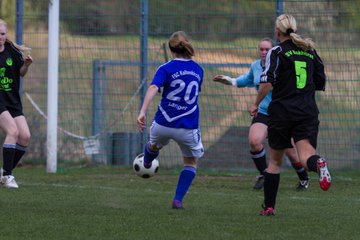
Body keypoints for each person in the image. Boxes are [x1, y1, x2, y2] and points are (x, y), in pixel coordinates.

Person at [249, 14, 331, 216]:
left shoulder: (276, 51)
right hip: (307, 111)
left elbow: (267, 82)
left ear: (278, 32)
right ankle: (319, 163)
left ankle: (269, 207)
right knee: (306, 157)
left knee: (275, 162)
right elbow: (320, 82)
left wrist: (256, 103)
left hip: (282, 112)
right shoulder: (310, 50)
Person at [213, 38, 309, 191]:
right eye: (261, 49)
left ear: (273, 50)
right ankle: (265, 175)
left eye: (267, 50)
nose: (264, 52)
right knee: (254, 141)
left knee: (291, 153)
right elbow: (248, 79)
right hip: (263, 112)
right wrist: (230, 80)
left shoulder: (281, 64)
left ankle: (304, 179)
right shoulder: (256, 66)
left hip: (281, 114)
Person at [137, 31, 204, 209]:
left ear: (172, 50)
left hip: (163, 123)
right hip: (187, 127)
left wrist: (142, 111)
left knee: (153, 145)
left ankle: (147, 161)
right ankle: (178, 199)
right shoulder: (198, 69)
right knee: (190, 163)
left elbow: (153, 87)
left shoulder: (165, 68)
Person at [0, 19, 33, 188]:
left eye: (3, 34)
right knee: (12, 131)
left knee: (25, 136)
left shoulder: (11, 50)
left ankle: (4, 172)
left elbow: (21, 73)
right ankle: (7, 176)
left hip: (12, 101)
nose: (1, 37)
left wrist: (26, 65)